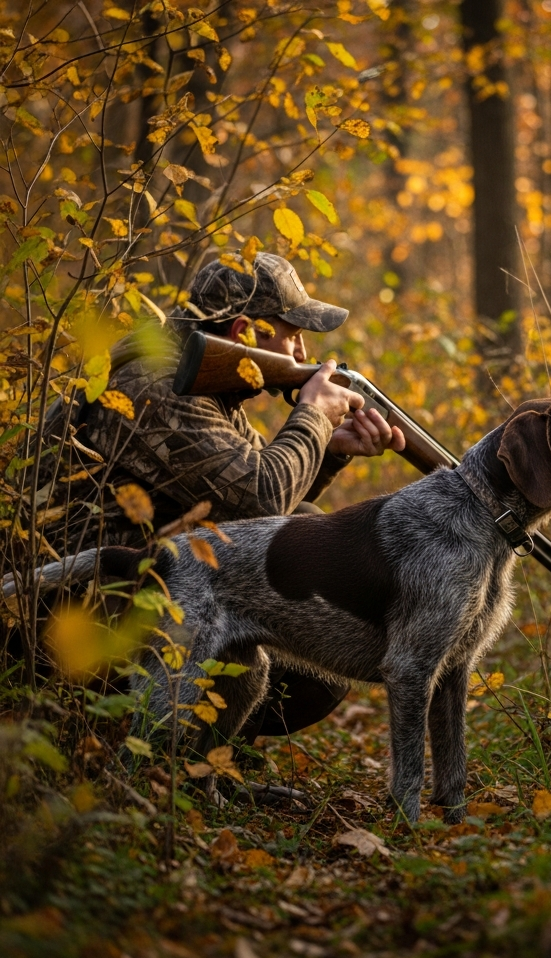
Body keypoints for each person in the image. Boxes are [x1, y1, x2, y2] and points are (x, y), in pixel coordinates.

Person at [40, 252, 405, 745]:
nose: (302, 354)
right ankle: (166, 758)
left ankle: (207, 760)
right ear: (243, 333)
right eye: (293, 334)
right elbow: (261, 500)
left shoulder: (204, 385)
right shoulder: (160, 384)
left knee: (303, 529)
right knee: (313, 561)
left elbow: (250, 501)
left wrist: (329, 449)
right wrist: (315, 416)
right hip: (64, 608)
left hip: (115, 582)